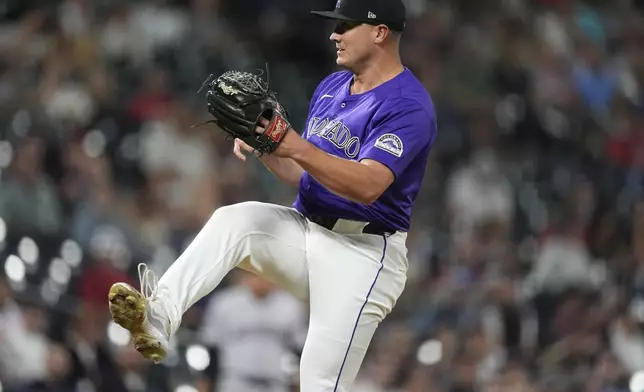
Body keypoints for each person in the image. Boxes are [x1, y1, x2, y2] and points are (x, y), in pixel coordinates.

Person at [107, 0, 438, 390]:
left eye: (346, 25)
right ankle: (159, 317)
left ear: (380, 32)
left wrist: (292, 144)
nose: (334, 34)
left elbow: (367, 186)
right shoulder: (332, 87)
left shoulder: (408, 105)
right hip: (306, 231)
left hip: (363, 256)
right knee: (234, 221)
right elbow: (304, 174)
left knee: (319, 381)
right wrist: (264, 144)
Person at [197, 270, 307, 392]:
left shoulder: (290, 305)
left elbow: (300, 351)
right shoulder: (225, 302)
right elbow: (212, 350)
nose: (260, 280)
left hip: (275, 383)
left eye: (266, 275)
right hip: (236, 381)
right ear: (245, 276)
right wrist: (205, 383)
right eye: (254, 275)